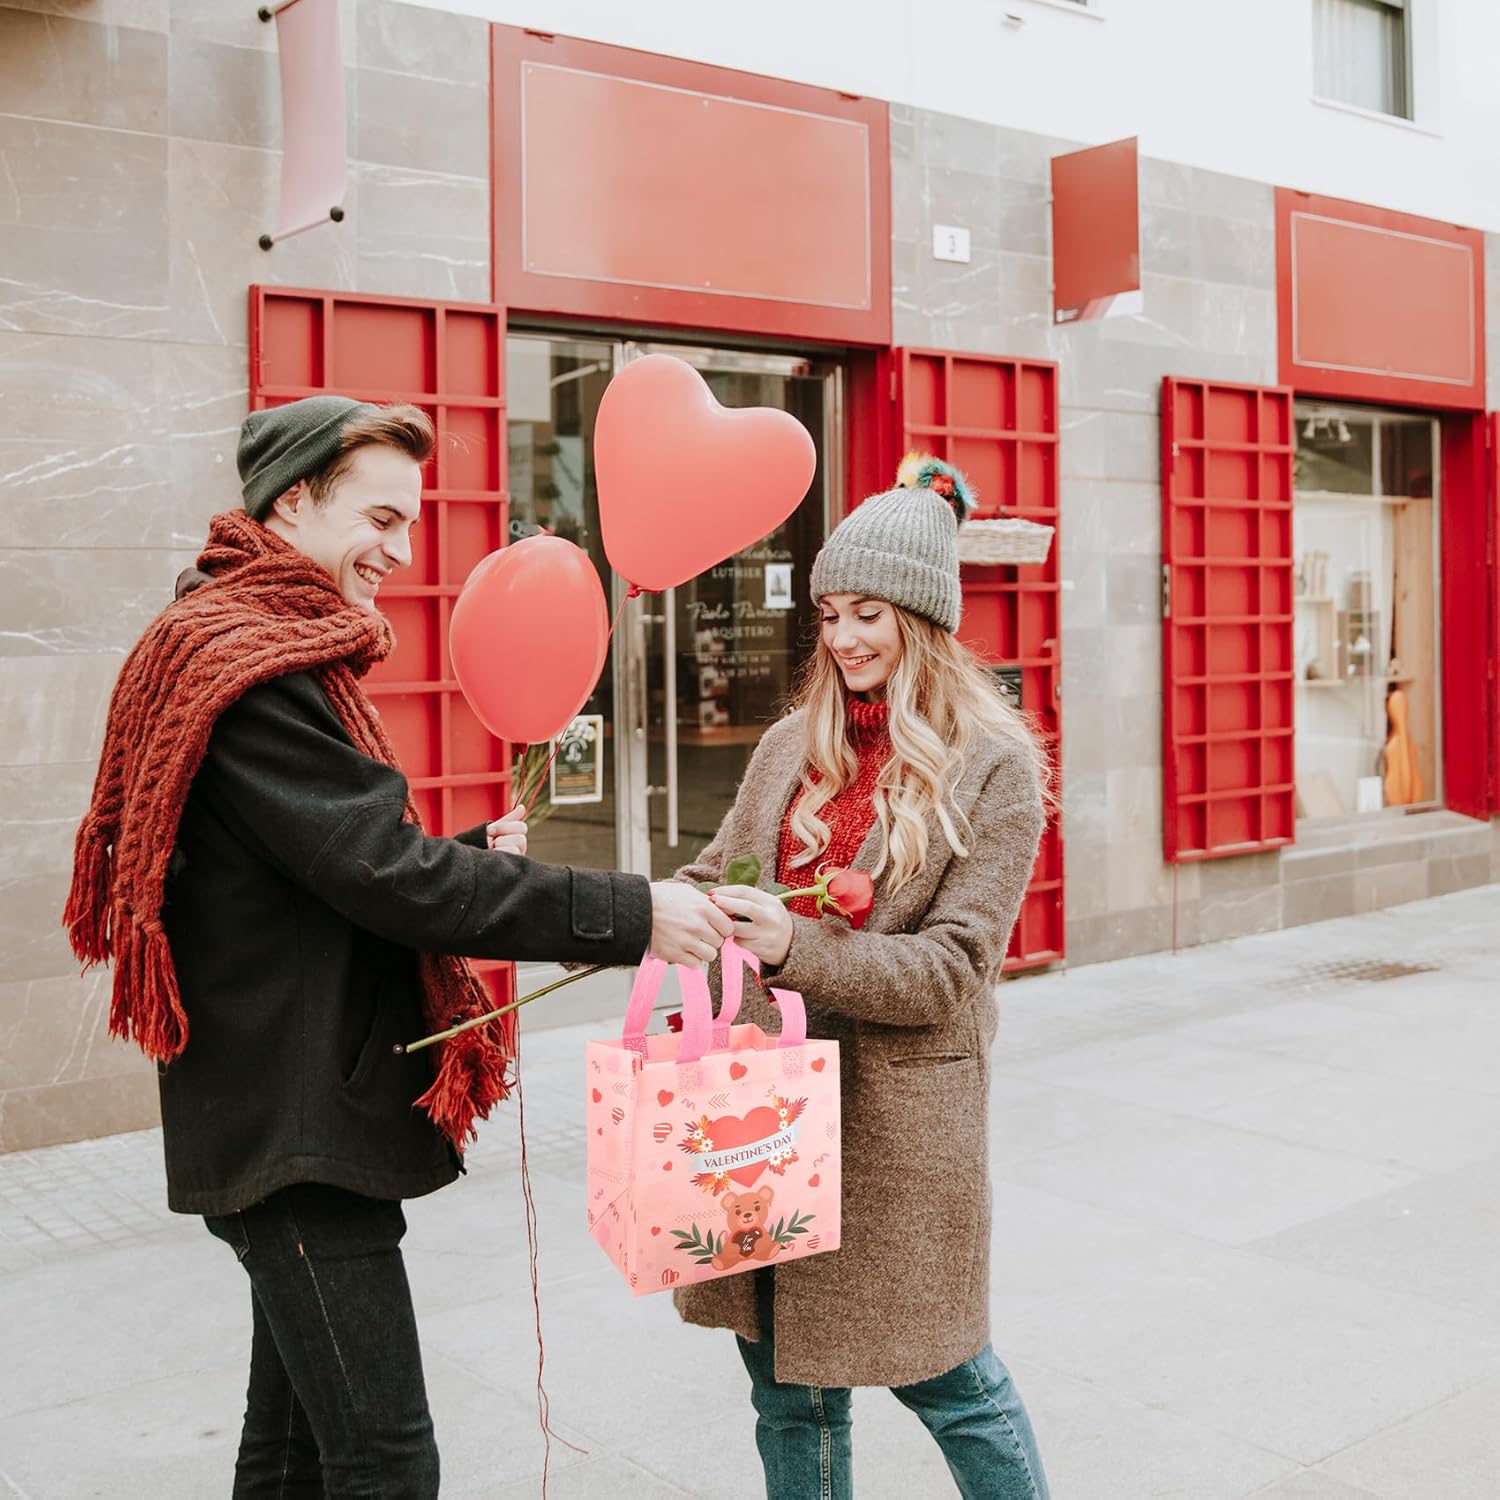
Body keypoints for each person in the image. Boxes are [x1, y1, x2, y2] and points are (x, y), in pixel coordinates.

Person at [63, 395, 732, 1499]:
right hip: (292, 1128)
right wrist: (632, 913)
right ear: (292, 502)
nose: (402, 552)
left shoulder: (249, 643)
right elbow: (384, 875)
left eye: (409, 524)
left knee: (292, 1452)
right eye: (380, 519)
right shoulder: (252, 671)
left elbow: (321, 869)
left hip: (286, 1113)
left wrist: (459, 854)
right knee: (386, 1463)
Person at [672, 455, 1052, 1500]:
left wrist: (795, 947)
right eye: (830, 613)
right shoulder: (790, 744)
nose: (842, 638)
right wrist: (615, 910)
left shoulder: (996, 765)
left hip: (895, 1130)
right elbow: (715, 874)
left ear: (922, 620)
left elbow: (953, 970)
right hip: (760, 1113)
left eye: (869, 614)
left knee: (951, 1382)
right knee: (786, 1394)